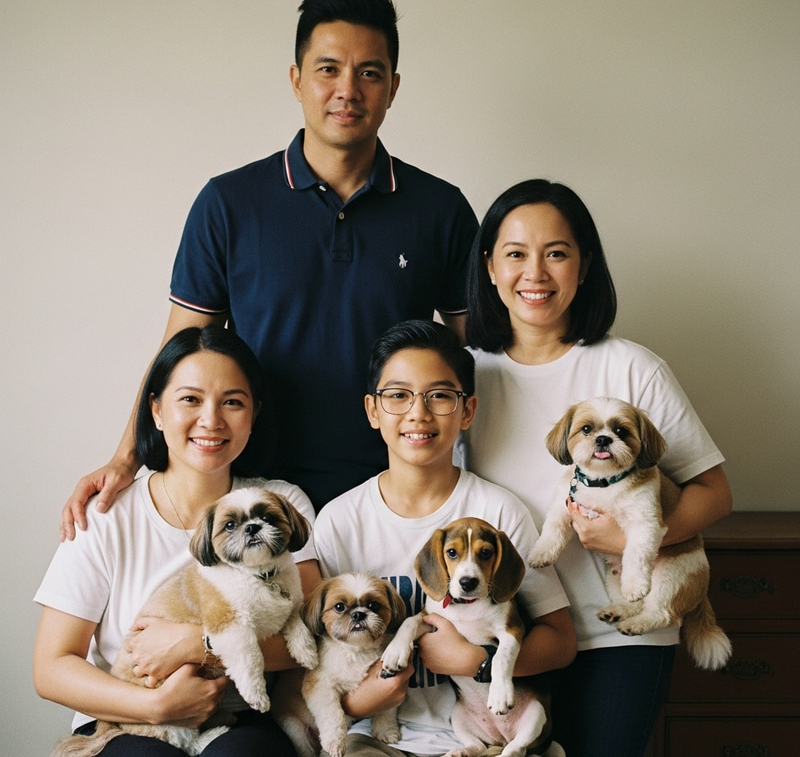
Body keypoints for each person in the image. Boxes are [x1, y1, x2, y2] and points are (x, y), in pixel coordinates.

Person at [60, 0, 478, 537]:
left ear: (393, 88)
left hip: (399, 497)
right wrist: (126, 459)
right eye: (328, 69)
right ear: (297, 79)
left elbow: (484, 356)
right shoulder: (230, 203)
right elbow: (180, 347)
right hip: (255, 495)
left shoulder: (441, 209)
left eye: (369, 73)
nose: (347, 90)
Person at [462, 179, 733, 757]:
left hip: (620, 636)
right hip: (514, 632)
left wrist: (634, 536)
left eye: (556, 253)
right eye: (515, 254)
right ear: (489, 267)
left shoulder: (633, 367)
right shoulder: (465, 376)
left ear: (583, 266)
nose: (534, 273)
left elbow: (714, 491)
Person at [34, 326, 320, 756]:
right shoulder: (105, 514)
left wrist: (198, 645)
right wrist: (155, 706)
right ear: (156, 410)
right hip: (127, 715)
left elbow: (314, 636)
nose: (211, 420)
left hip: (240, 714)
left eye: (233, 402)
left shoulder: (279, 503)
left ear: (254, 414)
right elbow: (51, 668)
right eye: (190, 399)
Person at [312, 319, 576, 755]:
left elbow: (560, 642)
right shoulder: (339, 520)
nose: (418, 412)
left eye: (439, 395)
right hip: (372, 733)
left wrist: (473, 662)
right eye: (398, 395)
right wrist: (361, 702)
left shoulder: (498, 513)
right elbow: (312, 655)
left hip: (480, 736)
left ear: (467, 410)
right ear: (373, 410)